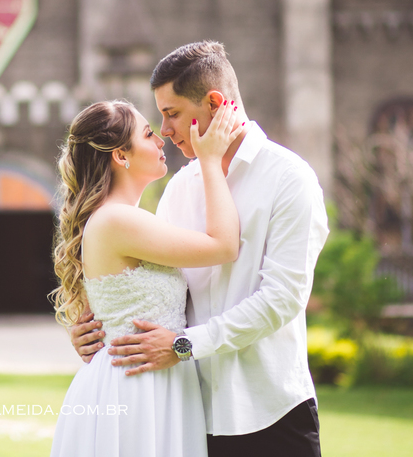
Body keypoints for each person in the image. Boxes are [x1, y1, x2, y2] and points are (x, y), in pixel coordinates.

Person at [70, 41, 330, 457]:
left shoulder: (289, 179)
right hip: (185, 415)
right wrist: (97, 326)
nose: (166, 130)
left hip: (268, 412)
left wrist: (183, 345)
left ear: (214, 102)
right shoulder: (180, 188)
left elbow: (281, 300)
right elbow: (156, 282)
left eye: (171, 114)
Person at [49, 98, 243, 457]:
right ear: (121, 155)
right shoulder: (116, 220)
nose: (161, 140)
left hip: (154, 381)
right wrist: (211, 161)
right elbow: (224, 246)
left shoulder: (125, 219)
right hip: (135, 390)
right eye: (149, 133)